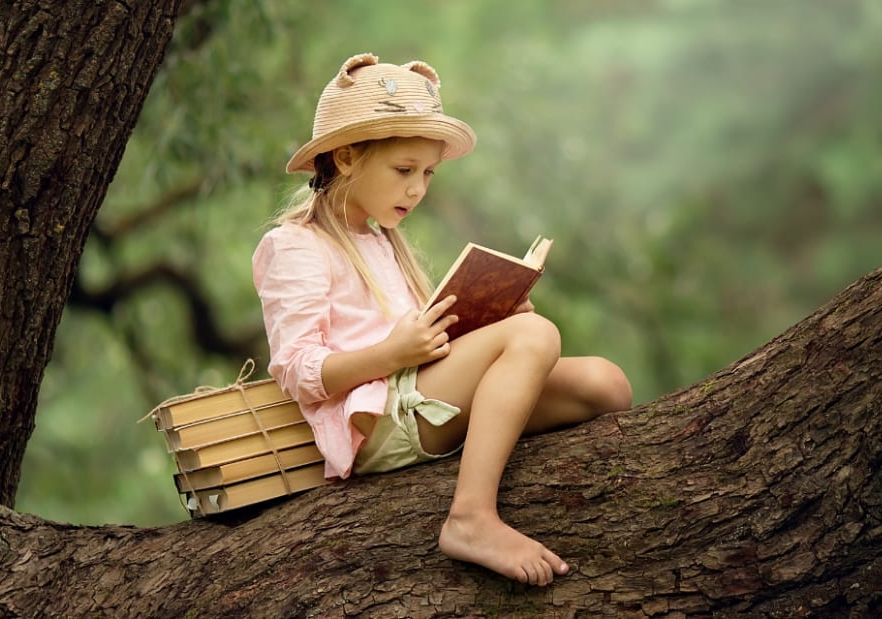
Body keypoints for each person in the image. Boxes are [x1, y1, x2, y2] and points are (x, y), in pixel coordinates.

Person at [252, 53, 633, 586]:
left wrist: (488, 319)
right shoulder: (295, 246)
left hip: (420, 393)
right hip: (377, 417)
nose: (418, 189)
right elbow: (296, 370)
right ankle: (471, 518)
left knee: (605, 384)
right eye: (404, 171)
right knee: (534, 334)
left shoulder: (384, 242)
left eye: (428, 173)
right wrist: (389, 356)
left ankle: (495, 411)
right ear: (344, 158)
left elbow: (429, 346)